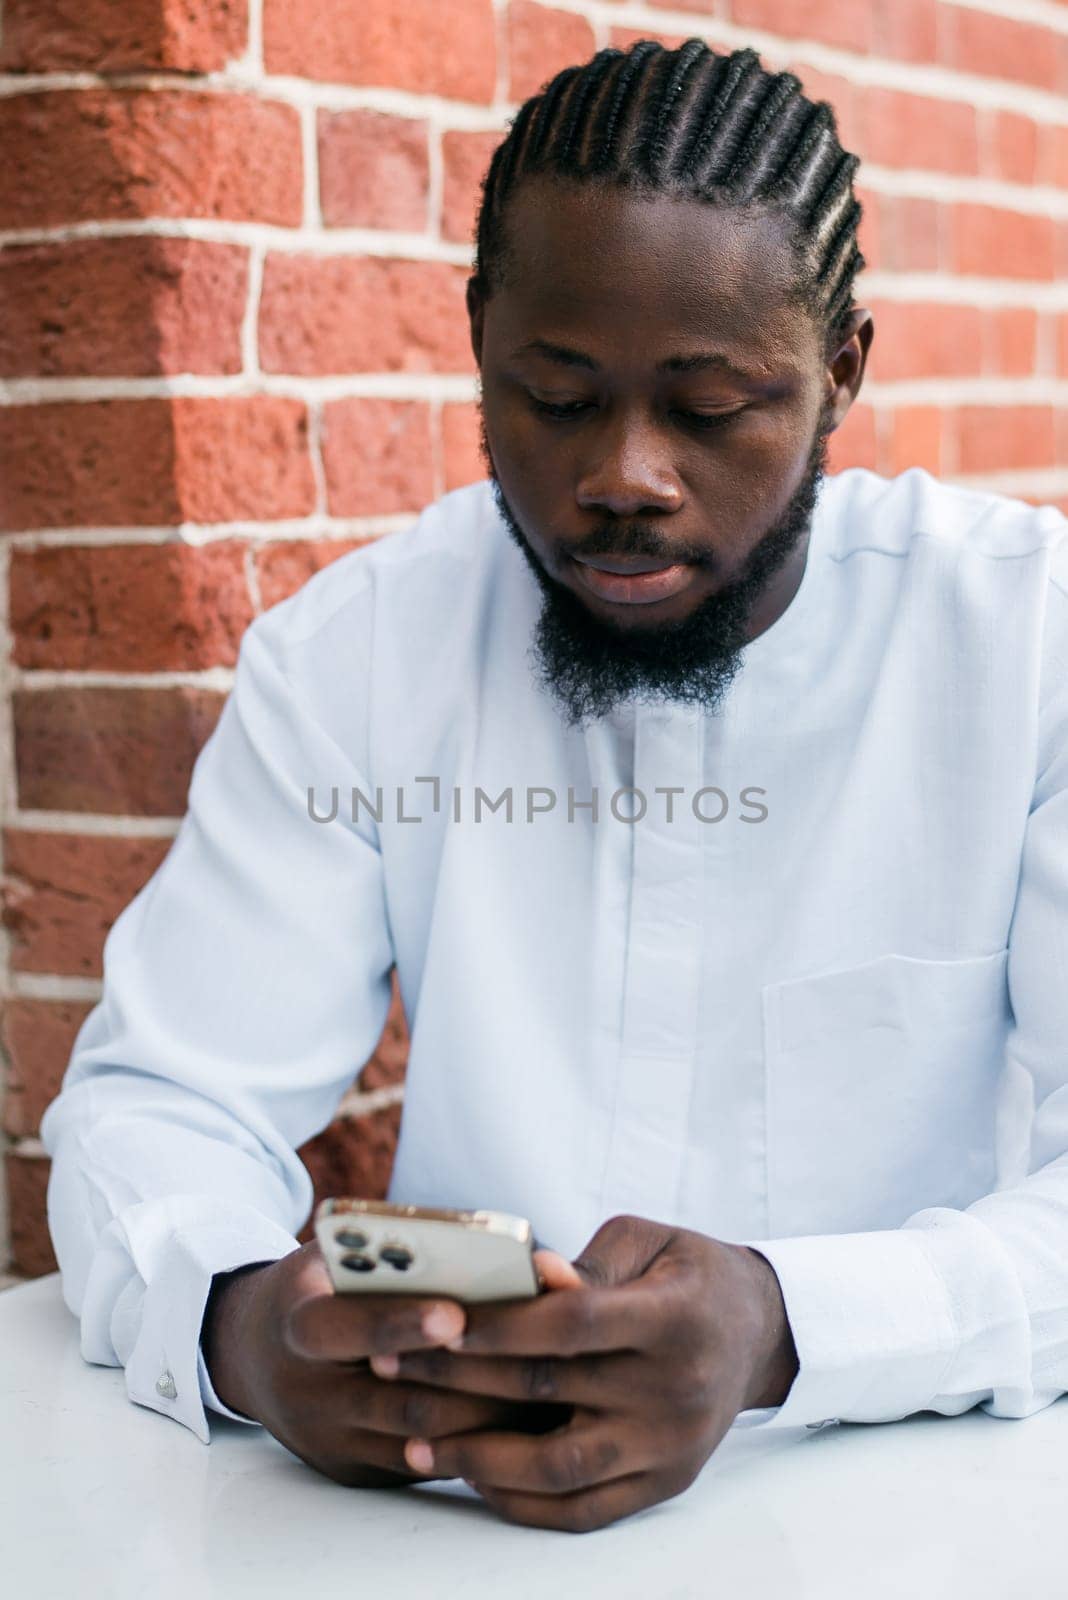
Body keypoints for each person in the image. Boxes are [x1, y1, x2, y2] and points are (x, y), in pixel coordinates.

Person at [40, 37, 1068, 1535]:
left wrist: (790, 1324)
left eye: (712, 406)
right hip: (432, 1534)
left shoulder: (1029, 648)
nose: (627, 476)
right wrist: (247, 1329)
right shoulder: (359, 657)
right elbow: (156, 1103)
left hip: (915, 1516)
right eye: (558, 396)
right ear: (479, 343)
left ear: (842, 368)